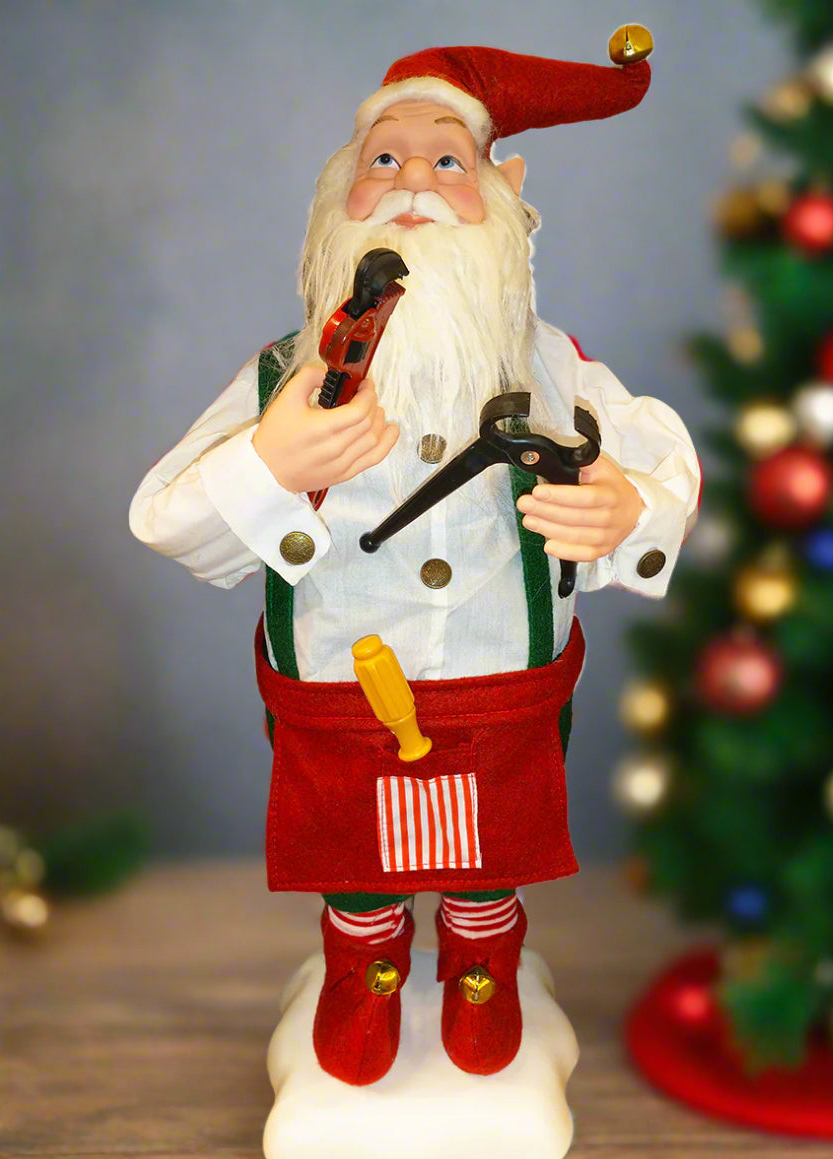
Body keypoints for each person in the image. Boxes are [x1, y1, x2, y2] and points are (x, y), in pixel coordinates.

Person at [130, 43, 701, 1088]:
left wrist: (627, 510)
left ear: (505, 192)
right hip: (339, 694)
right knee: (356, 858)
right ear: (337, 198)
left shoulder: (553, 369)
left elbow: (660, 468)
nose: (412, 186)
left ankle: (484, 969)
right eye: (383, 159)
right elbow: (167, 521)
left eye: (448, 163)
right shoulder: (284, 378)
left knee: (489, 853)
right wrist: (267, 465)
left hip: (504, 687)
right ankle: (365, 971)